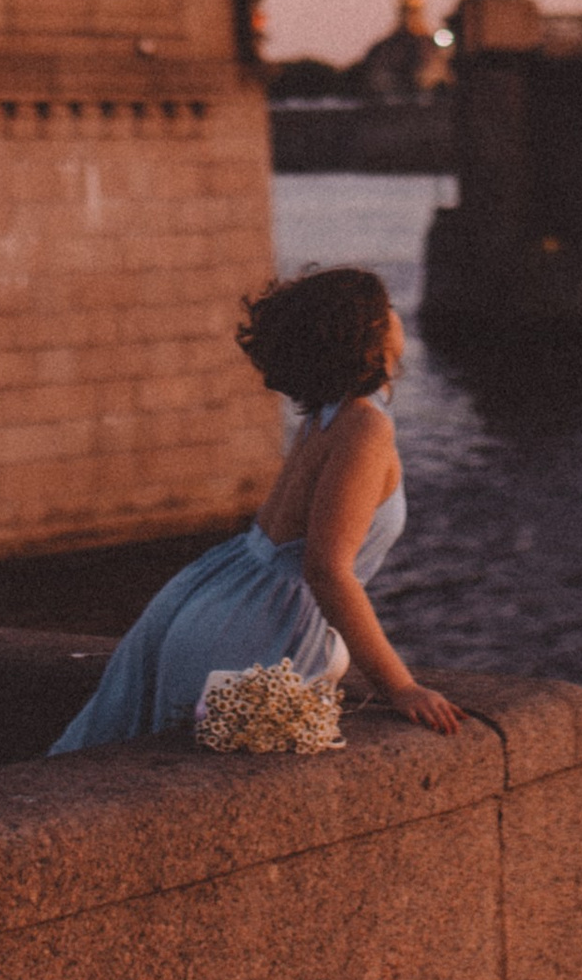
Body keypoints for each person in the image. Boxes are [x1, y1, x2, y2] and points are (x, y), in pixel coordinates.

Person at [47, 266, 465, 749]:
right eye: (387, 309)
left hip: (217, 591)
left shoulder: (326, 415)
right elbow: (327, 571)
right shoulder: (365, 428)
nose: (397, 316)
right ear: (369, 333)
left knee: (130, 755)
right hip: (261, 624)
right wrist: (401, 686)